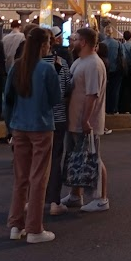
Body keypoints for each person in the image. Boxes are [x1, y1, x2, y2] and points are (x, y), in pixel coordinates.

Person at [3, 26, 61, 243]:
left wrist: (9, 127)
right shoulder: (47, 70)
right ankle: (35, 228)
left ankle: (15, 225)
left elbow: (7, 99)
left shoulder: (17, 67)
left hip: (19, 125)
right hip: (41, 125)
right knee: (39, 178)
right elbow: (56, 99)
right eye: (48, 43)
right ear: (43, 44)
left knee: (21, 178)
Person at [62, 27, 110, 213]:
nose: (72, 42)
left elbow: (92, 94)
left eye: (75, 39)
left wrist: (86, 119)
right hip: (76, 119)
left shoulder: (93, 64)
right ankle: (76, 194)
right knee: (77, 157)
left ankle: (102, 198)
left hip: (86, 120)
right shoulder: (80, 62)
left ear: (83, 42)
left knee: (93, 158)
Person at [44, 28, 72, 216]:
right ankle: (54, 201)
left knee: (33, 161)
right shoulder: (61, 64)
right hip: (58, 117)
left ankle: (31, 200)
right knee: (54, 160)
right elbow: (66, 90)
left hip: (33, 120)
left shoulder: (27, 66)